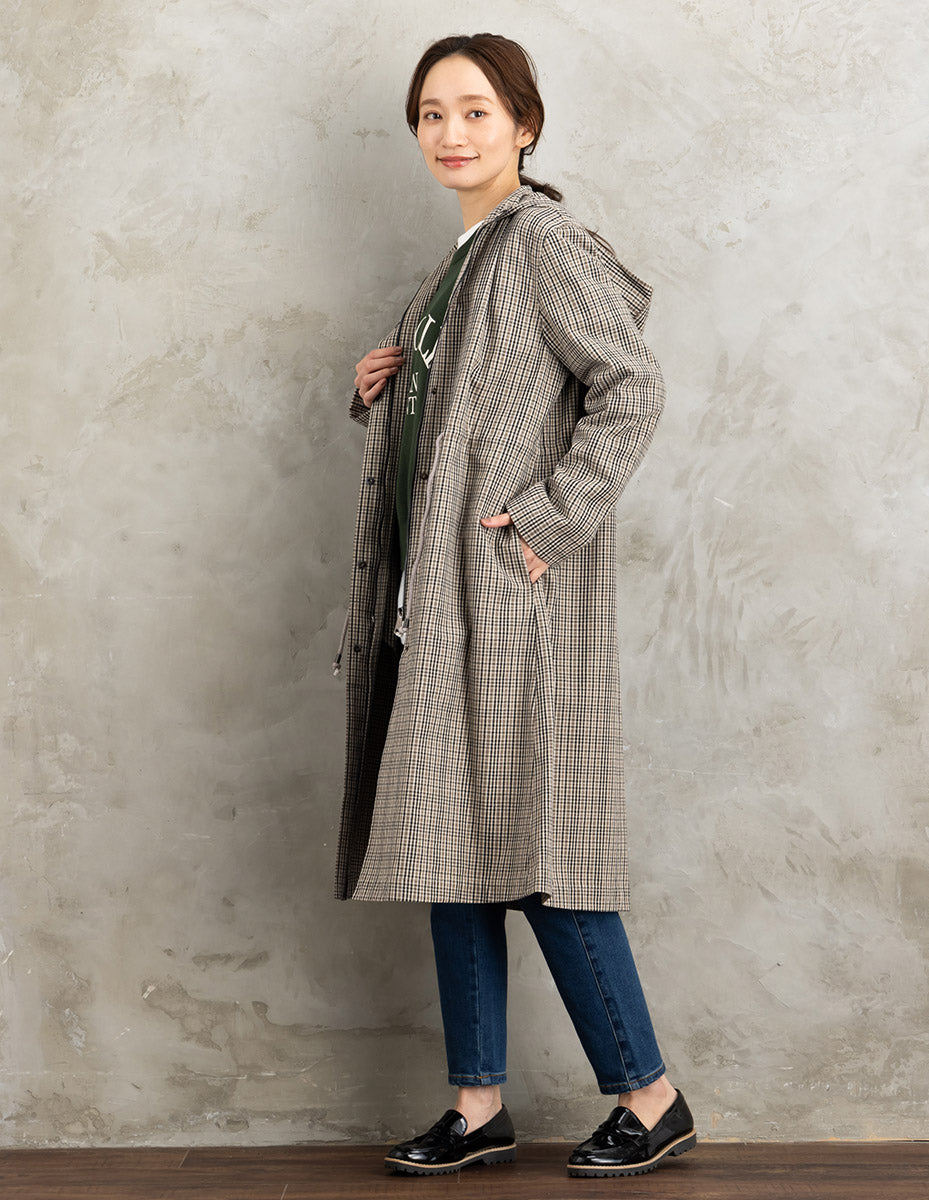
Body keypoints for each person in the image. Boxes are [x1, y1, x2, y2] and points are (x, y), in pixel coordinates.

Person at [333, 32, 696, 1179]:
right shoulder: (458, 263)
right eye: (431, 114)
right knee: (453, 853)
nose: (451, 133)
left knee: (539, 853)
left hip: (508, 603)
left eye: (476, 112)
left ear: (523, 126)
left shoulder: (542, 241)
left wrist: (548, 519)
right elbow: (477, 412)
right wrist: (388, 387)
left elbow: (629, 386)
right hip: (438, 607)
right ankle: (478, 1103)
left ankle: (651, 1096)